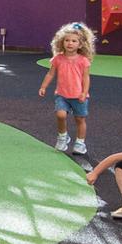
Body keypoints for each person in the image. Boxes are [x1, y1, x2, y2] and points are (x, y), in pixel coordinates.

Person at [39, 21, 95, 154]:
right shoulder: (58, 59)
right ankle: (63, 136)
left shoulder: (83, 60)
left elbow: (86, 78)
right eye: (67, 40)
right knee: (60, 114)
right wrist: (43, 86)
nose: (70, 43)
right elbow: (51, 73)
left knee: (80, 119)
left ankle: (80, 143)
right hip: (62, 94)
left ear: (80, 44)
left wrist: (84, 92)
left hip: (78, 95)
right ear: (61, 42)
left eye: (74, 41)